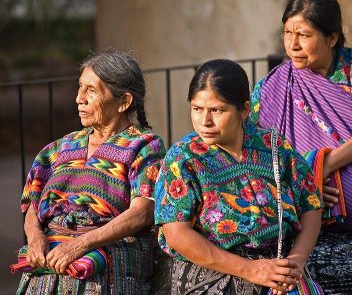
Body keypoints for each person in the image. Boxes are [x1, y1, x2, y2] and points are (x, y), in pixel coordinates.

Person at [250, 0, 352, 293]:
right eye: (287, 32)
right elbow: (256, 151)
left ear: (331, 37)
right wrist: (307, 179)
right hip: (305, 207)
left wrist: (324, 165)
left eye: (304, 35)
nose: (292, 44)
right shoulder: (272, 87)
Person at [154, 59, 323, 294]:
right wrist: (252, 270)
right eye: (197, 109)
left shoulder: (273, 146)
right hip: (212, 272)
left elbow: (311, 205)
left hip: (276, 266)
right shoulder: (183, 159)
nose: (205, 121)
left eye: (217, 110)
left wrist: (294, 264)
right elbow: (177, 234)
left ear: (244, 109)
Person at [13, 50, 166, 294]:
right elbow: (33, 201)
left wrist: (80, 244)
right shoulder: (61, 147)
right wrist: (34, 238)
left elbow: (142, 212)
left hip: (110, 270)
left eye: (91, 91)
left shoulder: (144, 146)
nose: (79, 99)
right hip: (51, 262)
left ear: (124, 102)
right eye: (80, 88)